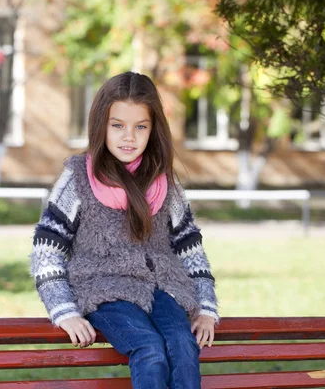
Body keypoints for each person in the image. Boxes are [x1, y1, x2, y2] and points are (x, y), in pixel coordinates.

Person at [29, 71, 219, 389]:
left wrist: (207, 308)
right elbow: (47, 249)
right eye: (117, 125)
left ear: (153, 129)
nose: (128, 137)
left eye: (139, 127)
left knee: (183, 348)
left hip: (163, 290)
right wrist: (64, 311)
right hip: (103, 291)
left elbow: (191, 249)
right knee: (150, 350)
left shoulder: (164, 182)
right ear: (101, 125)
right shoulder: (77, 178)